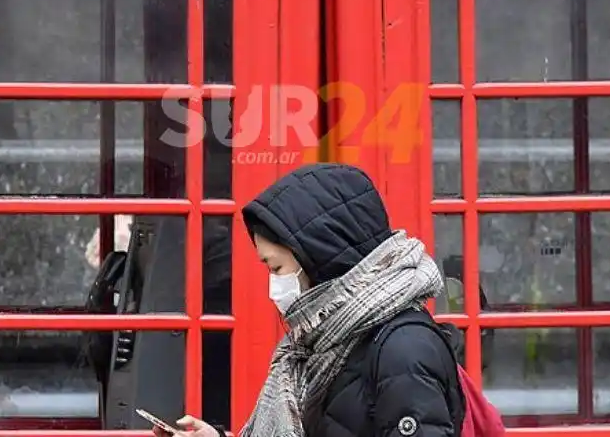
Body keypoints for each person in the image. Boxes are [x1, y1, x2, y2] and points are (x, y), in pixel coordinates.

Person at [154, 162, 463, 437]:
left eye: (276, 267)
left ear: (319, 258)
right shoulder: (323, 342)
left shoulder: (404, 350)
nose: (273, 285)